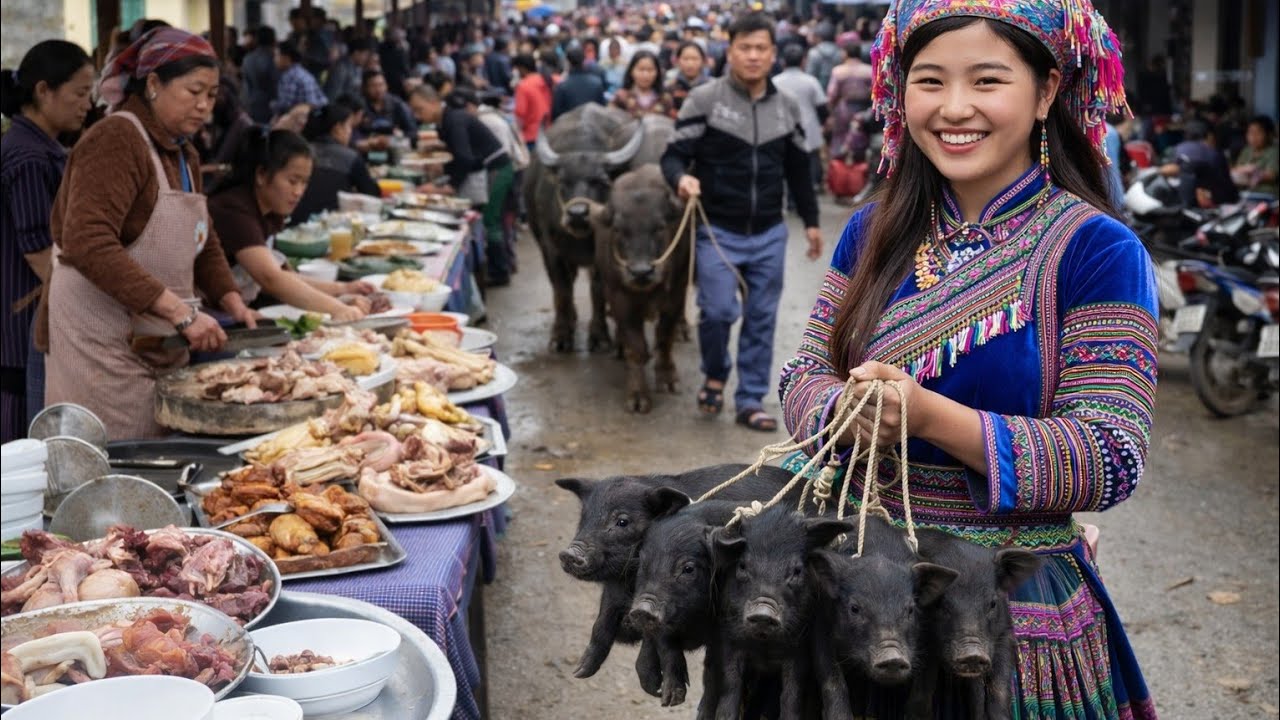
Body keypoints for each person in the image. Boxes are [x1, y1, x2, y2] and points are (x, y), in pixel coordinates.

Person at [779, 1, 1158, 717]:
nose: (954, 109)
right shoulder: (874, 229)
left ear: (1046, 91)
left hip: (1006, 608)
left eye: (987, 81)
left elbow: (1112, 454)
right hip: (863, 589)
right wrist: (840, 412)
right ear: (901, 92)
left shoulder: (1098, 252)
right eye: (929, 81)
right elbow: (802, 378)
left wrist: (926, 417)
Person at [43, 28, 255, 440]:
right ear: (154, 84)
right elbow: (87, 240)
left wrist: (232, 299)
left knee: (157, 455)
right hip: (99, 343)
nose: (204, 106)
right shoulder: (115, 138)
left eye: (212, 96)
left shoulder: (183, 150)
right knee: (112, 460)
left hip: (156, 341)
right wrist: (180, 312)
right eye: (194, 91)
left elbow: (202, 236)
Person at [661, 12, 822, 433]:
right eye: (744, 48)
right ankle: (715, 372)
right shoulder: (705, 99)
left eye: (760, 49)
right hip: (717, 229)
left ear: (772, 54)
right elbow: (673, 155)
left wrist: (811, 221)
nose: (753, 56)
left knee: (761, 317)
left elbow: (800, 171)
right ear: (729, 51)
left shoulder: (786, 107)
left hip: (769, 231)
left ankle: (750, 398)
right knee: (716, 312)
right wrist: (682, 178)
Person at [0, 40, 94, 442]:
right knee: (22, 433)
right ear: (43, 91)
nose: (87, 103)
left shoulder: (43, 148)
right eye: (79, 93)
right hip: (21, 316)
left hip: (37, 308)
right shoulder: (28, 157)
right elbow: (39, 251)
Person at [209, 128, 368, 321]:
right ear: (261, 174)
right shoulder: (234, 210)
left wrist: (341, 291)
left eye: (304, 183)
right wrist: (337, 308)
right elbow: (271, 279)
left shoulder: (270, 212)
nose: (299, 191)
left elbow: (286, 275)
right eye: (293, 181)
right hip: (208, 319)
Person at [408, 85, 515, 285]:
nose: (417, 115)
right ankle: (497, 268)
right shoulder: (446, 120)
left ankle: (500, 272)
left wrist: (448, 187)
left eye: (419, 109)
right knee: (491, 219)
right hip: (485, 169)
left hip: (496, 170)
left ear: (433, 102)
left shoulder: (453, 120)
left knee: (491, 220)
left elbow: (464, 159)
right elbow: (461, 155)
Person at [292, 104, 381, 223]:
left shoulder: (298, 152)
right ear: (338, 128)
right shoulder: (349, 157)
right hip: (333, 226)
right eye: (349, 127)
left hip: (294, 222)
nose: (351, 132)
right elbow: (371, 193)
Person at [772, 42, 828, 202]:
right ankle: (805, 198)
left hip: (781, 129)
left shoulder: (775, 82)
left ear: (783, 61)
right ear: (803, 61)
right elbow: (822, 107)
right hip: (808, 128)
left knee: (786, 165)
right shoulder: (810, 81)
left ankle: (789, 199)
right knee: (807, 165)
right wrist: (822, 123)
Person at [1161, 120, 1239, 208]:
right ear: (1209, 136)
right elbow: (1227, 187)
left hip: (1179, 205)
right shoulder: (1213, 154)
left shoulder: (1177, 149)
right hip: (1213, 205)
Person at [826, 39, 874, 161]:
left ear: (846, 54)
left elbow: (831, 94)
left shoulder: (838, 71)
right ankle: (862, 170)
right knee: (863, 141)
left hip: (844, 111)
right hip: (865, 111)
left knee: (841, 141)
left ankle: (841, 171)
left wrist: (831, 113)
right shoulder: (869, 70)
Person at [611, 51, 676, 119]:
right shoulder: (621, 97)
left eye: (650, 70)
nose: (645, 75)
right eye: (641, 69)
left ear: (657, 72)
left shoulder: (665, 99)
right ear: (631, 71)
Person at [273, 39, 327, 116]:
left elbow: (285, 107)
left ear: (286, 58)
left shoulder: (290, 77)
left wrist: (273, 105)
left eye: (276, 55)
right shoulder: (303, 73)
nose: (274, 60)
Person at [551, 46, 605, 121]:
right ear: (583, 61)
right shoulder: (597, 83)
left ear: (568, 62)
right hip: (592, 128)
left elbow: (556, 115)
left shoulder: (562, 87)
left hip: (569, 128)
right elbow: (602, 111)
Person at [360, 70, 417, 139]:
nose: (378, 90)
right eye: (373, 86)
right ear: (364, 88)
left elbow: (412, 131)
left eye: (381, 85)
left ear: (386, 86)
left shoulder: (397, 104)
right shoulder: (360, 107)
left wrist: (400, 135)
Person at [1233, 115, 1278, 198]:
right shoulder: (1247, 151)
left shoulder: (1274, 151)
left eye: (1258, 133)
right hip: (1246, 194)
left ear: (1268, 134)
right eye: (1250, 133)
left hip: (1267, 195)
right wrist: (1246, 170)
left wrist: (1253, 172)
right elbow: (1237, 170)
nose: (1253, 137)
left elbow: (1272, 175)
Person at [513, 53, 552, 148]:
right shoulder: (547, 80)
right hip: (550, 132)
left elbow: (520, 114)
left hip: (531, 136)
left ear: (521, 68)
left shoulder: (523, 86)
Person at [240, 26, 278, 123]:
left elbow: (246, 84)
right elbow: (275, 83)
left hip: (251, 102)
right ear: (273, 40)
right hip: (271, 104)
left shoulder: (247, 58)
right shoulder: (273, 59)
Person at [325, 36, 372, 102]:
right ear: (356, 53)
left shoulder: (358, 68)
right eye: (365, 55)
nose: (366, 58)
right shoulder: (340, 69)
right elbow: (333, 95)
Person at [667, 41, 708, 113]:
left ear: (703, 61)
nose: (690, 64)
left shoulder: (711, 86)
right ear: (677, 60)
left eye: (695, 59)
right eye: (685, 59)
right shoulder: (670, 86)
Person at [805, 21, 842, 91]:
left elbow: (810, 74)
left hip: (818, 90)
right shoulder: (840, 52)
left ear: (819, 37)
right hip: (835, 90)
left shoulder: (813, 53)